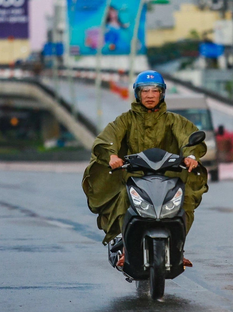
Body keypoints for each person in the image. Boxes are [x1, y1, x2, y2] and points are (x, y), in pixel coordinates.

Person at [82, 70, 208, 266]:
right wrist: (112, 155)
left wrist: (191, 156)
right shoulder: (125, 120)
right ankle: (125, 248)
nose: (150, 95)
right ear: (137, 94)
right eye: (145, 90)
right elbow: (107, 138)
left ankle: (177, 247)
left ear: (162, 93)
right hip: (134, 177)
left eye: (154, 90)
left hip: (169, 176)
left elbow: (188, 137)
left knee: (185, 200)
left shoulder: (174, 120)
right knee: (124, 198)